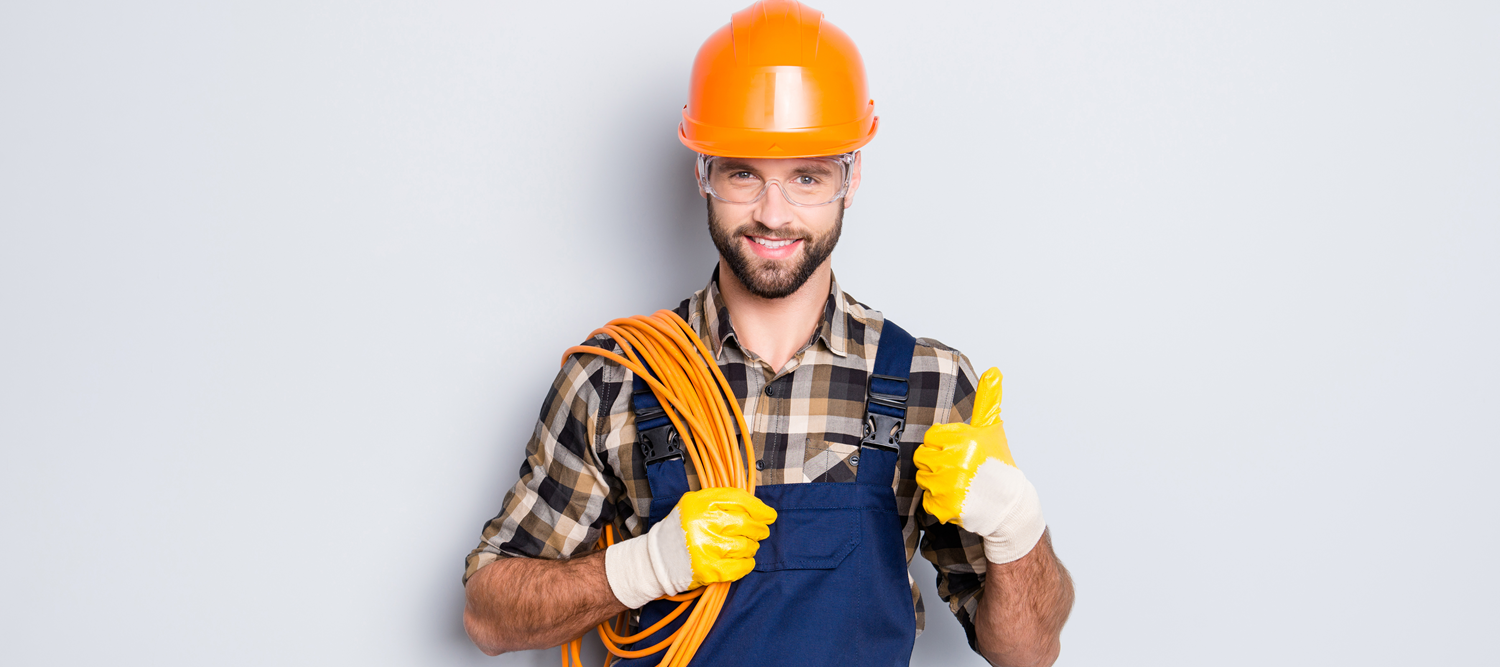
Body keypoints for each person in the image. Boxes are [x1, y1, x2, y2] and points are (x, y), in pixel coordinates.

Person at [461, 2, 1074, 665]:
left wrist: (1016, 526)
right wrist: (643, 566)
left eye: (806, 176)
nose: (774, 213)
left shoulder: (929, 383)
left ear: (851, 178)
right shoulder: (616, 377)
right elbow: (489, 615)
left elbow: (1029, 652)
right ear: (703, 174)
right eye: (743, 173)